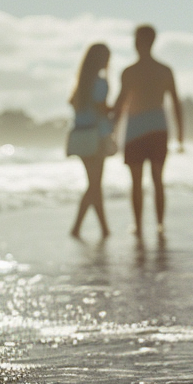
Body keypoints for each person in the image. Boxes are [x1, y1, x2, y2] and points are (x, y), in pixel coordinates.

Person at [113, 25, 184, 236]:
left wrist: (112, 132)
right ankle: (159, 225)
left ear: (138, 42)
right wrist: (180, 136)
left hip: (136, 130)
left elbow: (120, 103)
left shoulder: (130, 71)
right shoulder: (164, 70)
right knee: (156, 179)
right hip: (157, 129)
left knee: (137, 181)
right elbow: (176, 103)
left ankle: (139, 226)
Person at [67, 42, 114, 239]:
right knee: (95, 185)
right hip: (96, 137)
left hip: (79, 136)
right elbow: (102, 110)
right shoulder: (100, 83)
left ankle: (100, 228)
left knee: (93, 184)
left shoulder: (81, 85)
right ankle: (82, 228)